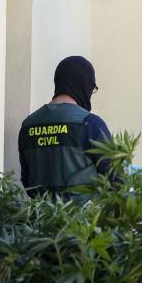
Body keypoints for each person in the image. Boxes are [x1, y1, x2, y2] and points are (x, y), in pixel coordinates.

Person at [18, 56, 112, 198]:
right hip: (83, 218)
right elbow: (115, 180)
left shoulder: (28, 125)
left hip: (40, 218)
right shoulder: (90, 123)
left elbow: (27, 181)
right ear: (83, 84)